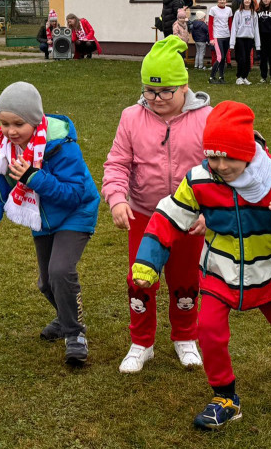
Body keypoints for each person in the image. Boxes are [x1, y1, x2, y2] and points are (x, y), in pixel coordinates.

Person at [132, 101, 271, 430]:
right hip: (220, 272)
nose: (220, 165)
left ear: (248, 152)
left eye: (229, 156)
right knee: (208, 330)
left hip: (268, 272)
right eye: (213, 156)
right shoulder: (198, 180)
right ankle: (225, 396)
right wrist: (148, 260)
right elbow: (168, 216)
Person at [0, 82, 99, 367]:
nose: (11, 131)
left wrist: (33, 177)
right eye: (4, 123)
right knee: (46, 282)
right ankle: (65, 318)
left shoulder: (61, 146)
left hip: (76, 212)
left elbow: (74, 194)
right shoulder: (4, 151)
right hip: (42, 218)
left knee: (61, 270)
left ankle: (75, 334)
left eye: (18, 124)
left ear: (36, 121)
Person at [102, 37, 211, 374]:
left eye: (166, 91)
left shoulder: (206, 118)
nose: (157, 99)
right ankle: (142, 342)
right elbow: (117, 164)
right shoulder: (132, 117)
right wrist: (118, 199)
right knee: (140, 279)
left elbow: (220, 171)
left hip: (188, 219)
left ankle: (185, 336)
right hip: (144, 216)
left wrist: (211, 212)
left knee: (186, 280)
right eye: (150, 91)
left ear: (184, 87)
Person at [229, 0, 259, 85]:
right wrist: (232, 43)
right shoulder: (238, 12)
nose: (247, 1)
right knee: (241, 58)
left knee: (247, 59)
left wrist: (258, 45)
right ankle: (239, 77)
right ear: (243, 1)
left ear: (251, 1)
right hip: (240, 38)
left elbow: (256, 28)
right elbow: (234, 27)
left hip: (249, 39)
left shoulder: (254, 13)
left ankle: (244, 77)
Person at [207, 0, 232, 84]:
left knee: (224, 58)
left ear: (226, 1)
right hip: (217, 36)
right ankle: (211, 77)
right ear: (217, 0)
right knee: (219, 57)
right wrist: (211, 38)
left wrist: (231, 37)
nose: (222, 1)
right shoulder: (213, 9)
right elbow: (210, 25)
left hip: (227, 36)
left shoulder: (229, 10)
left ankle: (221, 77)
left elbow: (230, 24)